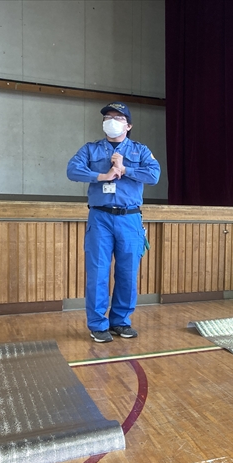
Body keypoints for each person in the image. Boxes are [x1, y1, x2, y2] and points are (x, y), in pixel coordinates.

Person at [67, 102, 160, 343]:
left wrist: (125, 169)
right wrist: (102, 176)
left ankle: (121, 321)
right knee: (98, 272)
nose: (112, 121)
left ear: (128, 126)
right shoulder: (91, 149)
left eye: (118, 118)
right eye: (108, 117)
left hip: (130, 218)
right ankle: (98, 324)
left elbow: (154, 175)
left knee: (127, 273)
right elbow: (72, 170)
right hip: (100, 217)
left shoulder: (140, 151)